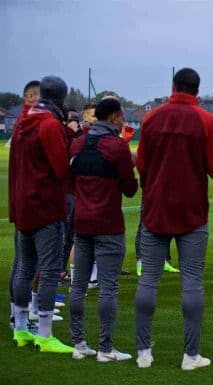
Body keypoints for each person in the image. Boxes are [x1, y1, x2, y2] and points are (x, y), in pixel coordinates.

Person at [134, 68, 213, 370]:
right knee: (192, 283)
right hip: (191, 210)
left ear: (173, 86)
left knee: (149, 279)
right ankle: (190, 354)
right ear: (197, 90)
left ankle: (143, 351)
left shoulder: (151, 118)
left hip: (156, 208)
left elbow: (142, 166)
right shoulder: (207, 121)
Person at [69, 98, 138, 362]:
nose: (123, 120)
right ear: (114, 117)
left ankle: (79, 344)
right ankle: (105, 348)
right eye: (121, 116)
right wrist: (130, 163)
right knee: (108, 287)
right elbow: (130, 189)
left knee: (78, 286)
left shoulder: (78, 143)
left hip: (82, 221)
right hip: (108, 223)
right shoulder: (116, 146)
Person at [9, 76, 74, 353]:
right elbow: (61, 168)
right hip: (45, 205)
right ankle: (45, 334)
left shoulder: (22, 121)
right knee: (48, 270)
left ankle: (21, 329)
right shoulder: (49, 125)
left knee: (24, 268)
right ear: (60, 98)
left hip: (22, 204)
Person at [8, 80, 40, 329]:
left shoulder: (23, 124)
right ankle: (19, 315)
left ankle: (20, 314)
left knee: (23, 261)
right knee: (24, 262)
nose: (33, 99)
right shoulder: (27, 124)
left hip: (22, 200)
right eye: (30, 95)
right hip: (29, 202)